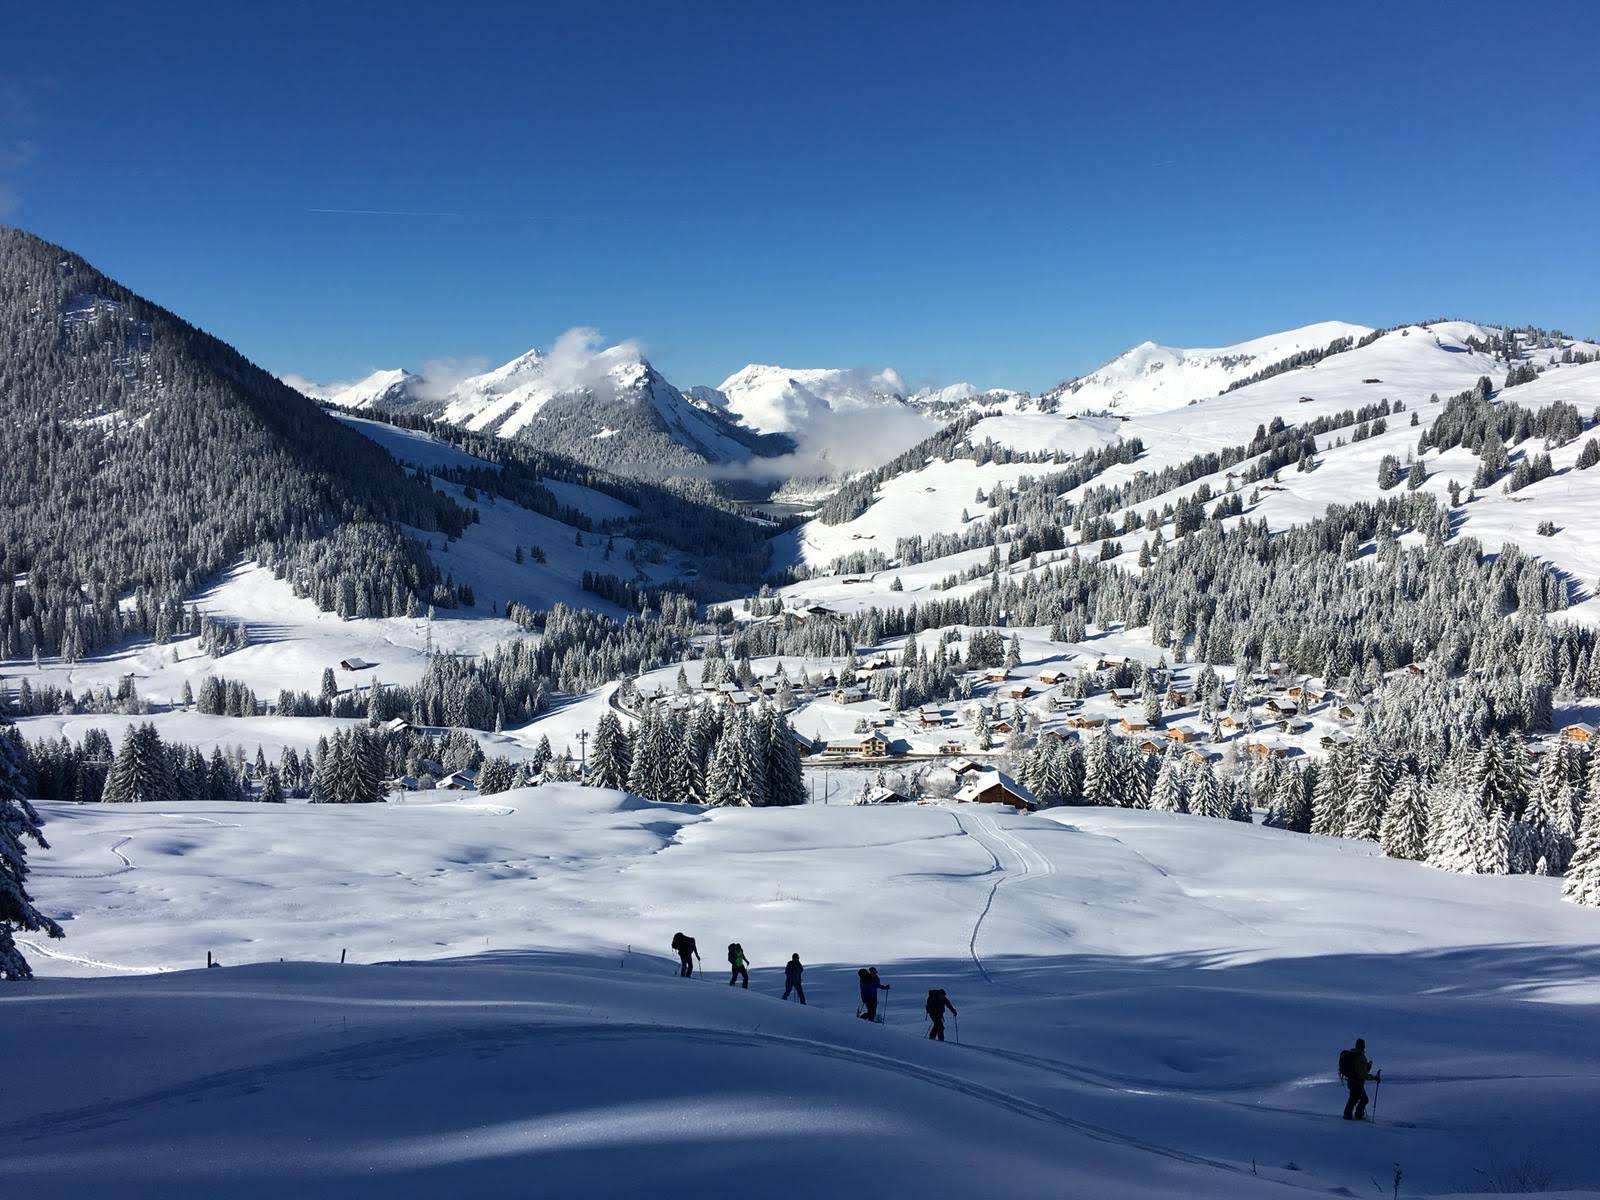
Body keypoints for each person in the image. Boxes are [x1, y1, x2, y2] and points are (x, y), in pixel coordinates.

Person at [1339, 1038, 1380, 1120]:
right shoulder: (1359, 1056)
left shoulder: (1356, 1055)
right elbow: (1362, 1074)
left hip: (1353, 1081)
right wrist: (1374, 1078)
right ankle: (1351, 1116)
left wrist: (1368, 1065)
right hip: (1356, 1082)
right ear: (1362, 1046)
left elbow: (1362, 1070)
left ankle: (1354, 1115)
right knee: (1358, 1099)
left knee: (1358, 1099)